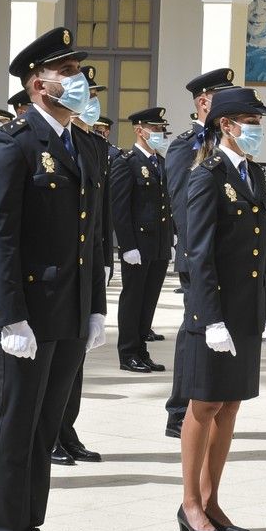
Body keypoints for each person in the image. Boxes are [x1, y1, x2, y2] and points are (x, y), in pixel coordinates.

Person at [0, 27, 108, 531]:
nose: (80, 81)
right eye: (70, 72)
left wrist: (96, 303)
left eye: (79, 70)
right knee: (16, 423)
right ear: (39, 84)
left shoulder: (83, 144)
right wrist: (10, 316)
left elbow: (91, 234)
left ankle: (30, 530)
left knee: (45, 426)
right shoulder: (14, 144)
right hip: (27, 314)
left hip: (69, 311)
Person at [178, 87, 266, 531]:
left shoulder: (253, 173)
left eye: (258, 121)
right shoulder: (206, 174)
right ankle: (190, 503)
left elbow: (258, 252)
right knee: (203, 406)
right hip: (213, 313)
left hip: (245, 310)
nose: (256, 129)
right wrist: (210, 318)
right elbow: (197, 254)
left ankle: (212, 497)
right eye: (249, 121)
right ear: (226, 125)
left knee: (231, 405)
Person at [164, 68, 235, 438]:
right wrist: (195, 256)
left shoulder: (223, 144)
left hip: (224, 259)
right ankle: (180, 410)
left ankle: (205, 402)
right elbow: (182, 208)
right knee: (194, 334)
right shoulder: (184, 146)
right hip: (198, 257)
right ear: (204, 102)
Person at [52, 67, 115, 465]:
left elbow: (96, 214)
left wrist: (104, 258)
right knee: (54, 370)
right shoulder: (51, 143)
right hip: (53, 277)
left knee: (74, 367)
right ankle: (53, 433)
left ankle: (66, 428)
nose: (89, 101)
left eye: (93, 94)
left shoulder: (91, 145)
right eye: (86, 93)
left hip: (85, 266)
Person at [112, 107, 173, 374]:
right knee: (133, 299)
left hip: (158, 244)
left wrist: (170, 238)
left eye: (162, 129)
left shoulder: (160, 163)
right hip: (137, 245)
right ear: (139, 130)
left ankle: (141, 350)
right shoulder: (127, 162)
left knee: (149, 300)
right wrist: (127, 246)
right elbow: (120, 208)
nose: (160, 133)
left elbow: (164, 205)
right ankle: (128, 352)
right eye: (156, 129)